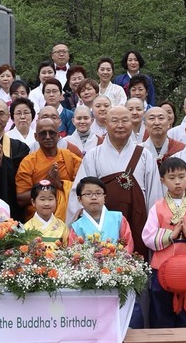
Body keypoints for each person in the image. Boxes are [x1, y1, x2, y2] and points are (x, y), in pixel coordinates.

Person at [68, 105, 162, 260]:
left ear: (132, 123)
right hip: (101, 224)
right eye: (115, 121)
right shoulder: (93, 155)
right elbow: (82, 192)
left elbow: (154, 194)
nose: (120, 125)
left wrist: (153, 224)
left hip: (137, 219)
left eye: (125, 120)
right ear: (105, 124)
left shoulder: (145, 155)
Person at [142, 157, 186, 328]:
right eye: (172, 177)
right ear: (162, 180)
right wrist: (171, 234)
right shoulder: (157, 206)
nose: (177, 182)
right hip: (163, 266)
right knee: (160, 309)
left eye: (181, 177)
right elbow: (147, 235)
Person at [16, 116, 82, 222]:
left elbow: (82, 189)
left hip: (68, 218)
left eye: (51, 133)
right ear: (36, 136)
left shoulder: (70, 157)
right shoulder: (28, 162)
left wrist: (60, 185)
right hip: (37, 221)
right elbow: (21, 198)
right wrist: (45, 184)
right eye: (43, 133)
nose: (47, 137)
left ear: (58, 135)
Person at [68, 177, 134, 253]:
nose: (94, 197)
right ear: (79, 199)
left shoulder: (118, 219)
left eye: (98, 193)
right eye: (88, 194)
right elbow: (74, 253)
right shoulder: (77, 227)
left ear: (104, 197)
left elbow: (128, 244)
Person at [24, 181, 68, 249]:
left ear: (56, 201)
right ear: (33, 202)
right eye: (42, 199)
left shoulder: (63, 227)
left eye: (50, 199)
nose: (47, 203)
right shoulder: (26, 228)